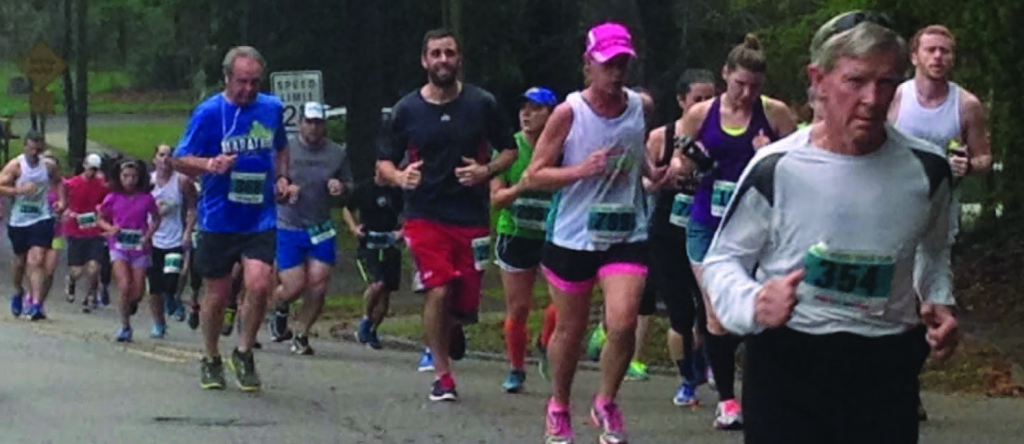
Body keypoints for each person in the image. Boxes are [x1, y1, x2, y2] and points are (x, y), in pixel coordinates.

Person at [702, 11, 959, 443]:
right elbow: (723, 260)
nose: (873, 100)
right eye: (855, 81)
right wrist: (753, 303)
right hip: (790, 360)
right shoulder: (776, 167)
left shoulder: (928, 171)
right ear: (818, 80)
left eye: (887, 83)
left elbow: (933, 249)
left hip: (884, 368)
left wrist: (939, 301)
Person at [523, 22, 673, 444]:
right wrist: (580, 170)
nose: (617, 72)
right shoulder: (570, 113)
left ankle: (606, 401)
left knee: (623, 322)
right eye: (608, 64)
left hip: (626, 231)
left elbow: (634, 144)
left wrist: (649, 172)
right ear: (588, 65)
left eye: (623, 63)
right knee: (569, 333)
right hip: (573, 236)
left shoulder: (640, 106)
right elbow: (535, 174)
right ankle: (558, 405)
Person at [377, 28, 518, 402]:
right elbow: (383, 163)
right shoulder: (407, 109)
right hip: (424, 214)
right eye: (436, 54)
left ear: (459, 59)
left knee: (464, 304)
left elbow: (509, 151)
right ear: (424, 61)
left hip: (470, 216)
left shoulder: (481, 103)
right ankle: (442, 375)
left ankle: (452, 329)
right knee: (436, 290)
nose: (443, 60)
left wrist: (486, 172)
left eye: (449, 53)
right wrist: (400, 176)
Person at [678, 33, 797, 430]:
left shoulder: (776, 115)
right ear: (724, 75)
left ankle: (765, 389)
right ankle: (728, 401)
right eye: (739, 84)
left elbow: (801, 167)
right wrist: (695, 163)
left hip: (757, 229)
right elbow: (681, 169)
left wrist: (770, 152)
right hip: (707, 225)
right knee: (717, 313)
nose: (746, 93)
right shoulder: (701, 115)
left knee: (759, 313)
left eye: (755, 87)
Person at [172, 45, 295, 391]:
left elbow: (281, 147)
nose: (249, 89)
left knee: (258, 283)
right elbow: (180, 159)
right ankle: (211, 355)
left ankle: (243, 351)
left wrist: (283, 178)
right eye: (242, 82)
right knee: (218, 292)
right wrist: (210, 165)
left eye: (255, 82)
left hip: (260, 215)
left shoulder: (270, 108)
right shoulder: (209, 113)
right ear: (227, 78)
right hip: (218, 217)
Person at [888, 23, 991, 422]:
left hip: (939, 217)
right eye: (930, 50)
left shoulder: (966, 105)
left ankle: (908, 385)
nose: (937, 57)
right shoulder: (897, 97)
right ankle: (892, 384)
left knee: (930, 306)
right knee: (893, 302)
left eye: (945, 51)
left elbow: (984, 157)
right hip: (893, 214)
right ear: (914, 56)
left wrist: (970, 164)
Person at [639, 69, 717, 406]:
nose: (704, 105)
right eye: (698, 98)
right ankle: (685, 379)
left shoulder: (719, 135)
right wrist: (658, 180)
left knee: (708, 310)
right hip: (667, 233)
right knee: (680, 312)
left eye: (710, 98)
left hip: (705, 230)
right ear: (682, 100)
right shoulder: (662, 136)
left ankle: (706, 366)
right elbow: (641, 181)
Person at [487, 86, 557, 393]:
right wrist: (522, 186)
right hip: (516, 234)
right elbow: (496, 199)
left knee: (563, 304)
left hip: (554, 235)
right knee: (518, 307)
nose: (527, 114)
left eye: (536, 108)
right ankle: (516, 368)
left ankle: (545, 341)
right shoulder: (508, 149)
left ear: (552, 115)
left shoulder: (562, 149)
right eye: (524, 108)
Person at [269, 101, 352, 355]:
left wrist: (340, 188)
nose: (315, 128)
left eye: (319, 123)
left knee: (318, 283)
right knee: (294, 286)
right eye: (310, 122)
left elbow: (349, 186)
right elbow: (268, 187)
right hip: (289, 224)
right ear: (300, 123)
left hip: (321, 226)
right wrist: (283, 190)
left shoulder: (336, 152)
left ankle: (302, 333)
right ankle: (280, 307)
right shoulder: (286, 150)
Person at [1, 130, 65, 320]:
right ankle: (18, 291)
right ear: (25, 147)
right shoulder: (16, 166)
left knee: (36, 260)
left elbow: (59, 182)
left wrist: (61, 200)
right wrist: (18, 190)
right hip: (19, 220)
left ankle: (36, 303)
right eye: (32, 147)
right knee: (20, 262)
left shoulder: (48, 166)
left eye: (38, 148)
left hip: (41, 217)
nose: (35, 152)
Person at [98, 159, 161, 342]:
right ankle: (125, 326)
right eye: (126, 176)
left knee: (138, 290)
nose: (130, 180)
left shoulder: (146, 198)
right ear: (119, 177)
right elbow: (100, 218)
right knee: (124, 284)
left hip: (139, 247)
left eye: (134, 176)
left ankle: (130, 303)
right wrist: (110, 228)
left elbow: (156, 218)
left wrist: (148, 235)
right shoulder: (112, 197)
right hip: (118, 246)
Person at [346, 170, 404, 350]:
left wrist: (402, 231)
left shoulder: (397, 191)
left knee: (386, 292)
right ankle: (365, 319)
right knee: (377, 283)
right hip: (369, 244)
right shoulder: (364, 188)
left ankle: (372, 329)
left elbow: (411, 213)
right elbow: (347, 208)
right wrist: (353, 228)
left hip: (389, 243)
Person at [147, 145, 196, 337]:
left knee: (172, 276)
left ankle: (172, 298)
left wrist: (188, 231)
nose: (165, 159)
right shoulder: (148, 182)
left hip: (174, 237)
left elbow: (192, 207)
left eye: (170, 155)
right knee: (154, 285)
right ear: (154, 159)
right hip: (152, 238)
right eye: (161, 155)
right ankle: (159, 323)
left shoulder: (182, 181)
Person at [64, 153, 110, 312]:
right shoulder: (72, 184)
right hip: (76, 231)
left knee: (94, 268)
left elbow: (106, 204)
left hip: (94, 231)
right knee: (76, 271)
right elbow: (63, 202)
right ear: (84, 166)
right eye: (91, 169)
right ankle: (71, 280)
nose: (93, 173)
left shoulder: (102, 186)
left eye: (96, 170)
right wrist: (68, 212)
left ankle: (89, 297)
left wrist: (101, 213)